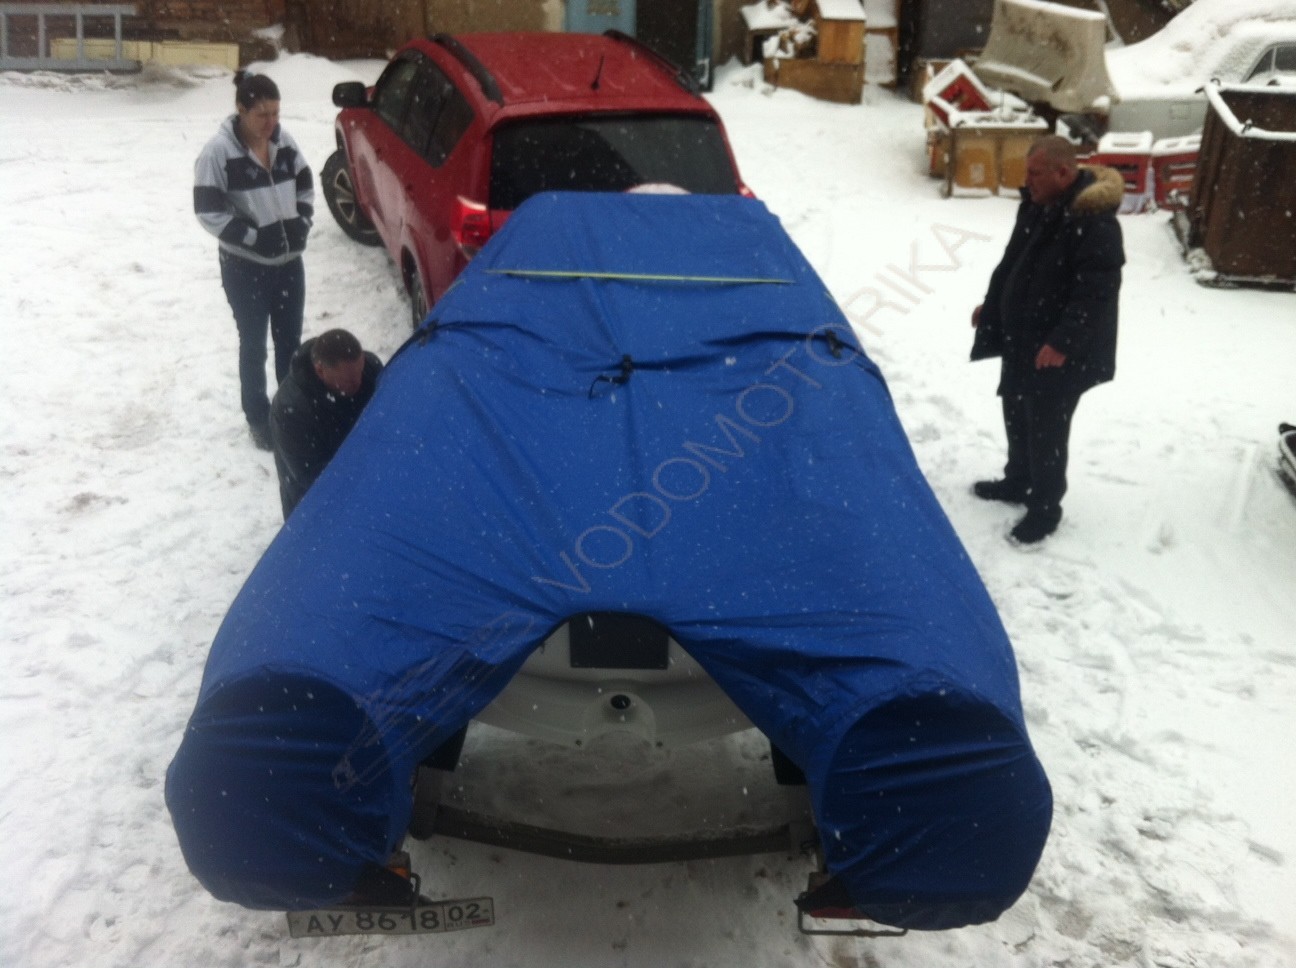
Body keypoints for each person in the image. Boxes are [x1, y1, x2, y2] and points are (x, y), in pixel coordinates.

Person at [970, 135, 1125, 544]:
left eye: (1035, 173)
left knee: (1046, 430)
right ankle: (1017, 480)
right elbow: (1013, 263)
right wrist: (992, 307)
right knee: (1016, 412)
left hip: (1059, 351)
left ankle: (1044, 509)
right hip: (1024, 338)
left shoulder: (1094, 221)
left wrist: (1063, 342)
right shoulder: (1038, 206)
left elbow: (1097, 293)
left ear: (1063, 172)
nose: (1028, 181)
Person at [194, 70, 314, 451]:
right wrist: (253, 238)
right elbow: (207, 210)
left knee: (290, 342)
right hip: (245, 269)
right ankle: (259, 418)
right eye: (262, 115)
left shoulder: (283, 141)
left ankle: (290, 411)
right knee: (254, 345)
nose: (271, 122)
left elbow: (305, 182)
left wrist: (302, 221)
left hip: (289, 264)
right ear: (241, 110)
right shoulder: (218, 153)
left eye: (276, 113)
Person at [269, 329, 383, 518]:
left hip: (370, 489)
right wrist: (369, 472)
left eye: (360, 373)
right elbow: (312, 477)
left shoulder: (370, 368)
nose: (359, 383)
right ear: (320, 370)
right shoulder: (291, 409)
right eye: (349, 381)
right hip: (316, 507)